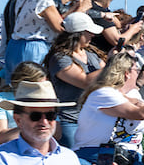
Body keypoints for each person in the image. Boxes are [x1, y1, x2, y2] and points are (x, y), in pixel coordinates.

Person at [3, 0, 88, 82]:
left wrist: (73, 9)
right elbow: (61, 28)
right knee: (34, 90)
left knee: (16, 91)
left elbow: (50, 20)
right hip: (35, 49)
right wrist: (81, 10)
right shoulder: (43, 0)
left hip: (14, 48)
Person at [45, 12, 105, 149]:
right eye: (89, 32)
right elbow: (84, 81)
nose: (93, 35)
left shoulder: (91, 55)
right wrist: (112, 65)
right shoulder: (59, 58)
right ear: (78, 34)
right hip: (70, 121)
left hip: (93, 120)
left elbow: (109, 78)